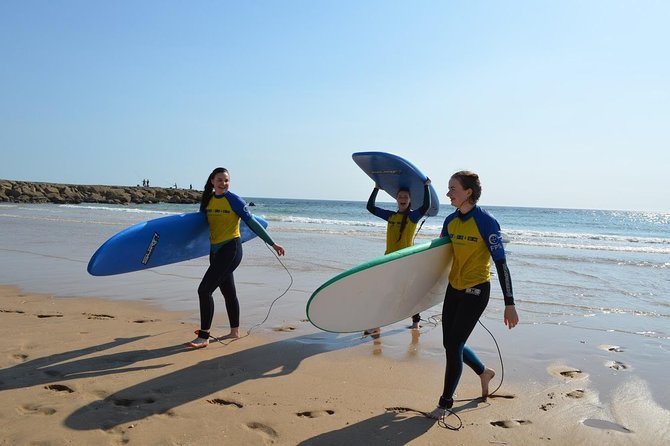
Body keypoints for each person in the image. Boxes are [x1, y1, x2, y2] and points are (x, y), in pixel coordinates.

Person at [429, 171, 519, 419]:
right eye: (448, 189)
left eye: (453, 189)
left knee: (453, 346)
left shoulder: (487, 222)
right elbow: (437, 259)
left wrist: (509, 304)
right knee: (450, 344)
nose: (448, 193)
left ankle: (445, 403)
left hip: (476, 290)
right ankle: (483, 372)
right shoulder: (450, 221)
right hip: (453, 288)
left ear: (468, 192)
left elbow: (501, 264)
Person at [188, 167, 285, 348]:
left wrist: (273, 244)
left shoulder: (234, 200)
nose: (223, 183)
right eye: (220, 180)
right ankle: (234, 331)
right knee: (228, 292)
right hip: (215, 251)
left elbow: (253, 223)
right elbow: (200, 225)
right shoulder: (208, 200)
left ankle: (204, 337)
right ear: (212, 181)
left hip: (231, 249)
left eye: (226, 180)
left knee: (204, 290)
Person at [366, 179, 432, 332]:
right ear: (396, 199)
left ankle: (416, 321)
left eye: (405, 197)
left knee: (407, 294)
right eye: (400, 196)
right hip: (389, 260)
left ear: (410, 200)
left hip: (406, 261)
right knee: (384, 293)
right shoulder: (390, 216)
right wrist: (376, 188)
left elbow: (426, 206)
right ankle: (377, 324)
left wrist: (426, 186)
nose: (403, 199)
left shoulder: (413, 217)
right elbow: (370, 207)